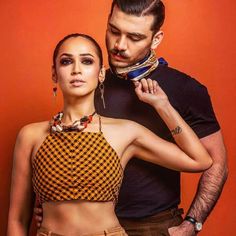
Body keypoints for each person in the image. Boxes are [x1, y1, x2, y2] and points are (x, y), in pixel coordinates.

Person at [35, 0, 228, 235]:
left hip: (152, 225)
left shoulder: (185, 89)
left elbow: (214, 163)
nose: (119, 45)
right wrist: (52, 204)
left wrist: (192, 224)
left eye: (134, 37)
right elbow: (60, 149)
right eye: (114, 31)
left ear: (155, 39)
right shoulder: (86, 79)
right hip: (91, 226)